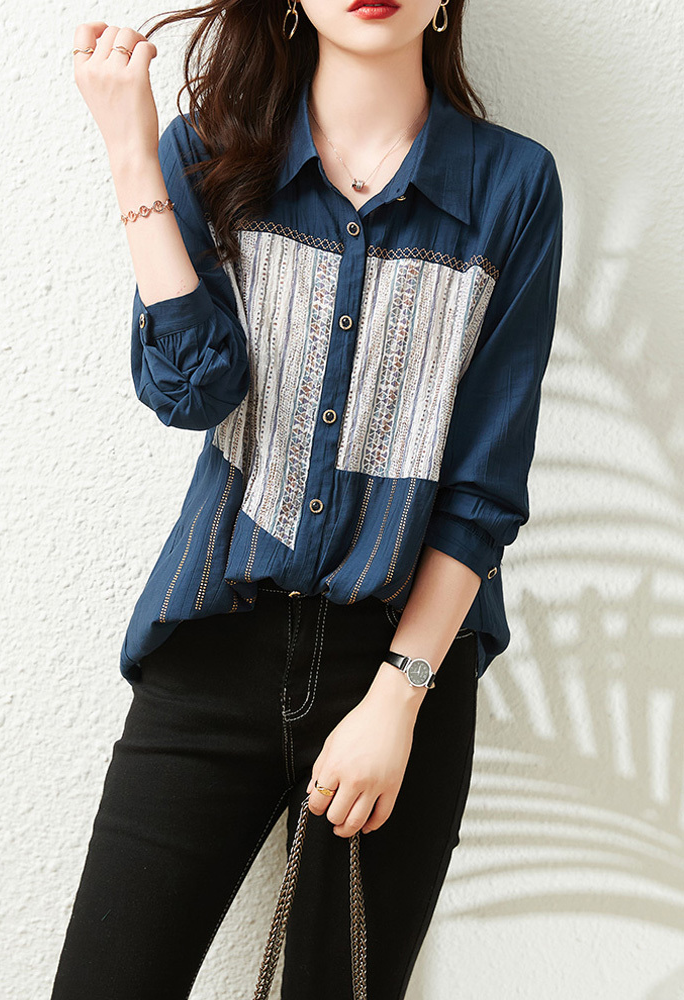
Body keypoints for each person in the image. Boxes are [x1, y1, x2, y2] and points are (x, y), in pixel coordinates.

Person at [53, 1, 563, 997]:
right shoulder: (209, 153)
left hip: (402, 665)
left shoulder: (512, 184)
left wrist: (397, 696)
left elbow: (484, 485)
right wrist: (130, 153)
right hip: (213, 648)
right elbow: (193, 390)